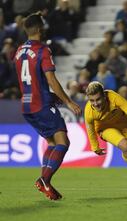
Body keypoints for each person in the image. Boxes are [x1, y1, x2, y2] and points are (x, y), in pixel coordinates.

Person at [13, 13, 81, 200]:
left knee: (51, 142)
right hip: (41, 104)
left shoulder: (18, 51)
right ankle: (44, 179)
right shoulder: (43, 50)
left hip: (26, 105)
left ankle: (46, 183)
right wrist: (68, 101)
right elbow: (51, 79)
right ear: (40, 29)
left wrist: (46, 93)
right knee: (63, 142)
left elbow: (28, 80)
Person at [84, 81, 127, 194]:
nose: (95, 104)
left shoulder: (114, 98)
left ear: (104, 95)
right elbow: (90, 129)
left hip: (124, 127)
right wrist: (95, 146)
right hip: (105, 129)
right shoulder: (89, 111)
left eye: (98, 99)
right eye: (92, 100)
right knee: (126, 146)